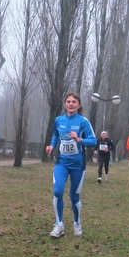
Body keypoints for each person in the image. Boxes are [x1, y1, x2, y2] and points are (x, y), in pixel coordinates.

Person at [46, 92, 97, 237]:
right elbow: (56, 135)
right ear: (65, 105)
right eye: (68, 101)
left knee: (74, 196)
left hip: (78, 165)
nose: (71, 104)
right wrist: (51, 146)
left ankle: (77, 222)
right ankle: (59, 224)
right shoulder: (58, 120)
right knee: (57, 191)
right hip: (62, 162)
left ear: (79, 105)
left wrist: (79, 139)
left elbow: (93, 141)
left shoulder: (83, 121)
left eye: (74, 102)